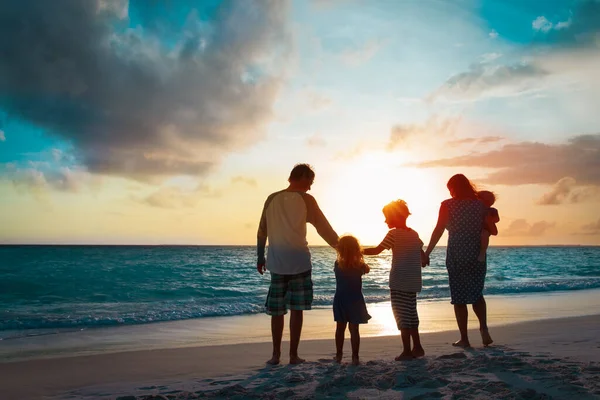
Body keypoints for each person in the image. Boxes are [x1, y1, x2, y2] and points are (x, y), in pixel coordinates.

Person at [256, 163, 339, 365]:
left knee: (277, 312)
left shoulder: (271, 198)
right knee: (296, 310)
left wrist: (260, 257)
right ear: (301, 177)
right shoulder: (306, 200)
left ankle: (276, 355)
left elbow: (261, 232)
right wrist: (341, 249)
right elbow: (323, 228)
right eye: (309, 182)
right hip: (299, 262)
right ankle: (292, 356)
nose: (310, 187)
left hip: (276, 263)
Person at [424, 174, 494, 348]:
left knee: (459, 297)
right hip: (478, 253)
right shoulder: (481, 205)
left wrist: (427, 252)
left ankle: (464, 338)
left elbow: (439, 229)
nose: (450, 192)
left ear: (454, 188)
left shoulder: (447, 205)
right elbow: (489, 228)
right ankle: (483, 329)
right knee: (477, 293)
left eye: (450, 189)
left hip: (457, 253)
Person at [363, 200, 427, 360]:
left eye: (387, 217)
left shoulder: (393, 234)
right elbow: (422, 253)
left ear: (395, 216)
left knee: (401, 314)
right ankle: (417, 347)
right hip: (413, 281)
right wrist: (424, 258)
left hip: (399, 280)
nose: (385, 221)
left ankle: (407, 350)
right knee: (411, 313)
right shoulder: (414, 233)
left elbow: (376, 250)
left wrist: (357, 250)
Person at [333, 235, 371, 365]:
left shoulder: (338, 264)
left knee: (340, 328)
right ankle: (355, 357)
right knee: (354, 330)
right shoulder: (359, 266)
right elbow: (367, 269)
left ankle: (339, 355)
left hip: (341, 299)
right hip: (355, 299)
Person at [477, 190, 500, 262]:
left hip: (486, 228)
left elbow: (497, 219)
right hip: (478, 228)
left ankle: (482, 251)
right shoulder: (477, 209)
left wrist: (490, 220)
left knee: (485, 235)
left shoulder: (492, 210)